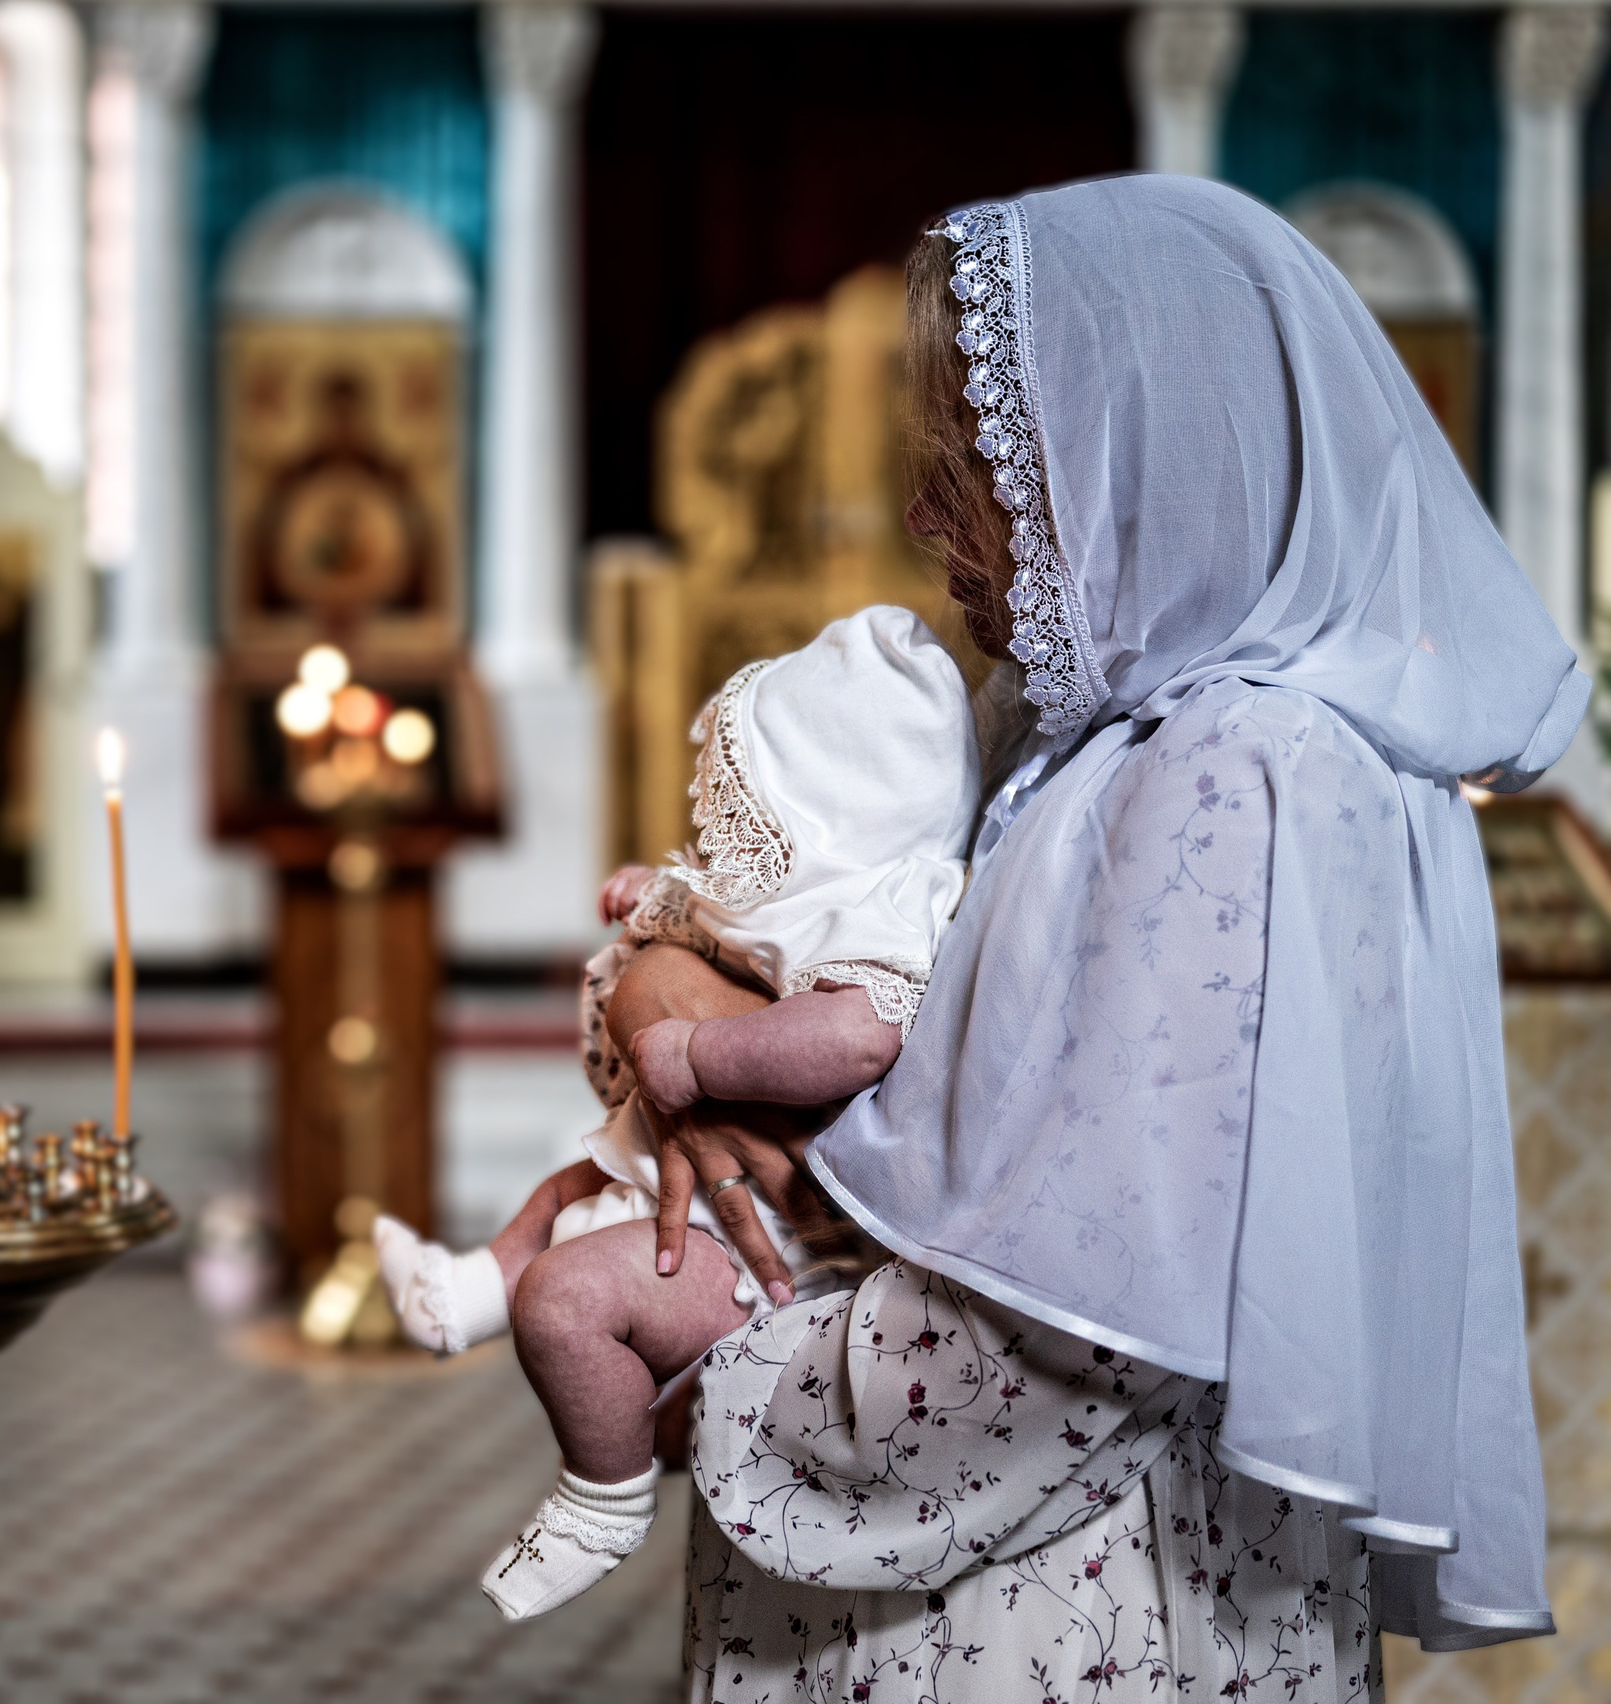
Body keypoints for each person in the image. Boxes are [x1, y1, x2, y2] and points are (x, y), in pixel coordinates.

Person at [626, 174, 1579, 1700]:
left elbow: (1075, 1343)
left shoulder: (1244, 767)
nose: (930, 511)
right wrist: (667, 975)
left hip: (1070, 1605)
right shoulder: (1073, 722)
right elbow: (794, 918)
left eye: (985, 458)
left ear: (1145, 456)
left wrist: (704, 1380)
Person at [373, 603, 983, 1620]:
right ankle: (466, 1290)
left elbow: (858, 1036)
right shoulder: (798, 888)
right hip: (687, 1192)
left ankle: (598, 1494)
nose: (722, 826)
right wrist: (651, 895)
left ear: (818, 802)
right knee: (566, 1187)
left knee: (563, 1304)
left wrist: (699, 1049)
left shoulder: (882, 906)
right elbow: (705, 912)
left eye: (745, 805)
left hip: (763, 1252)